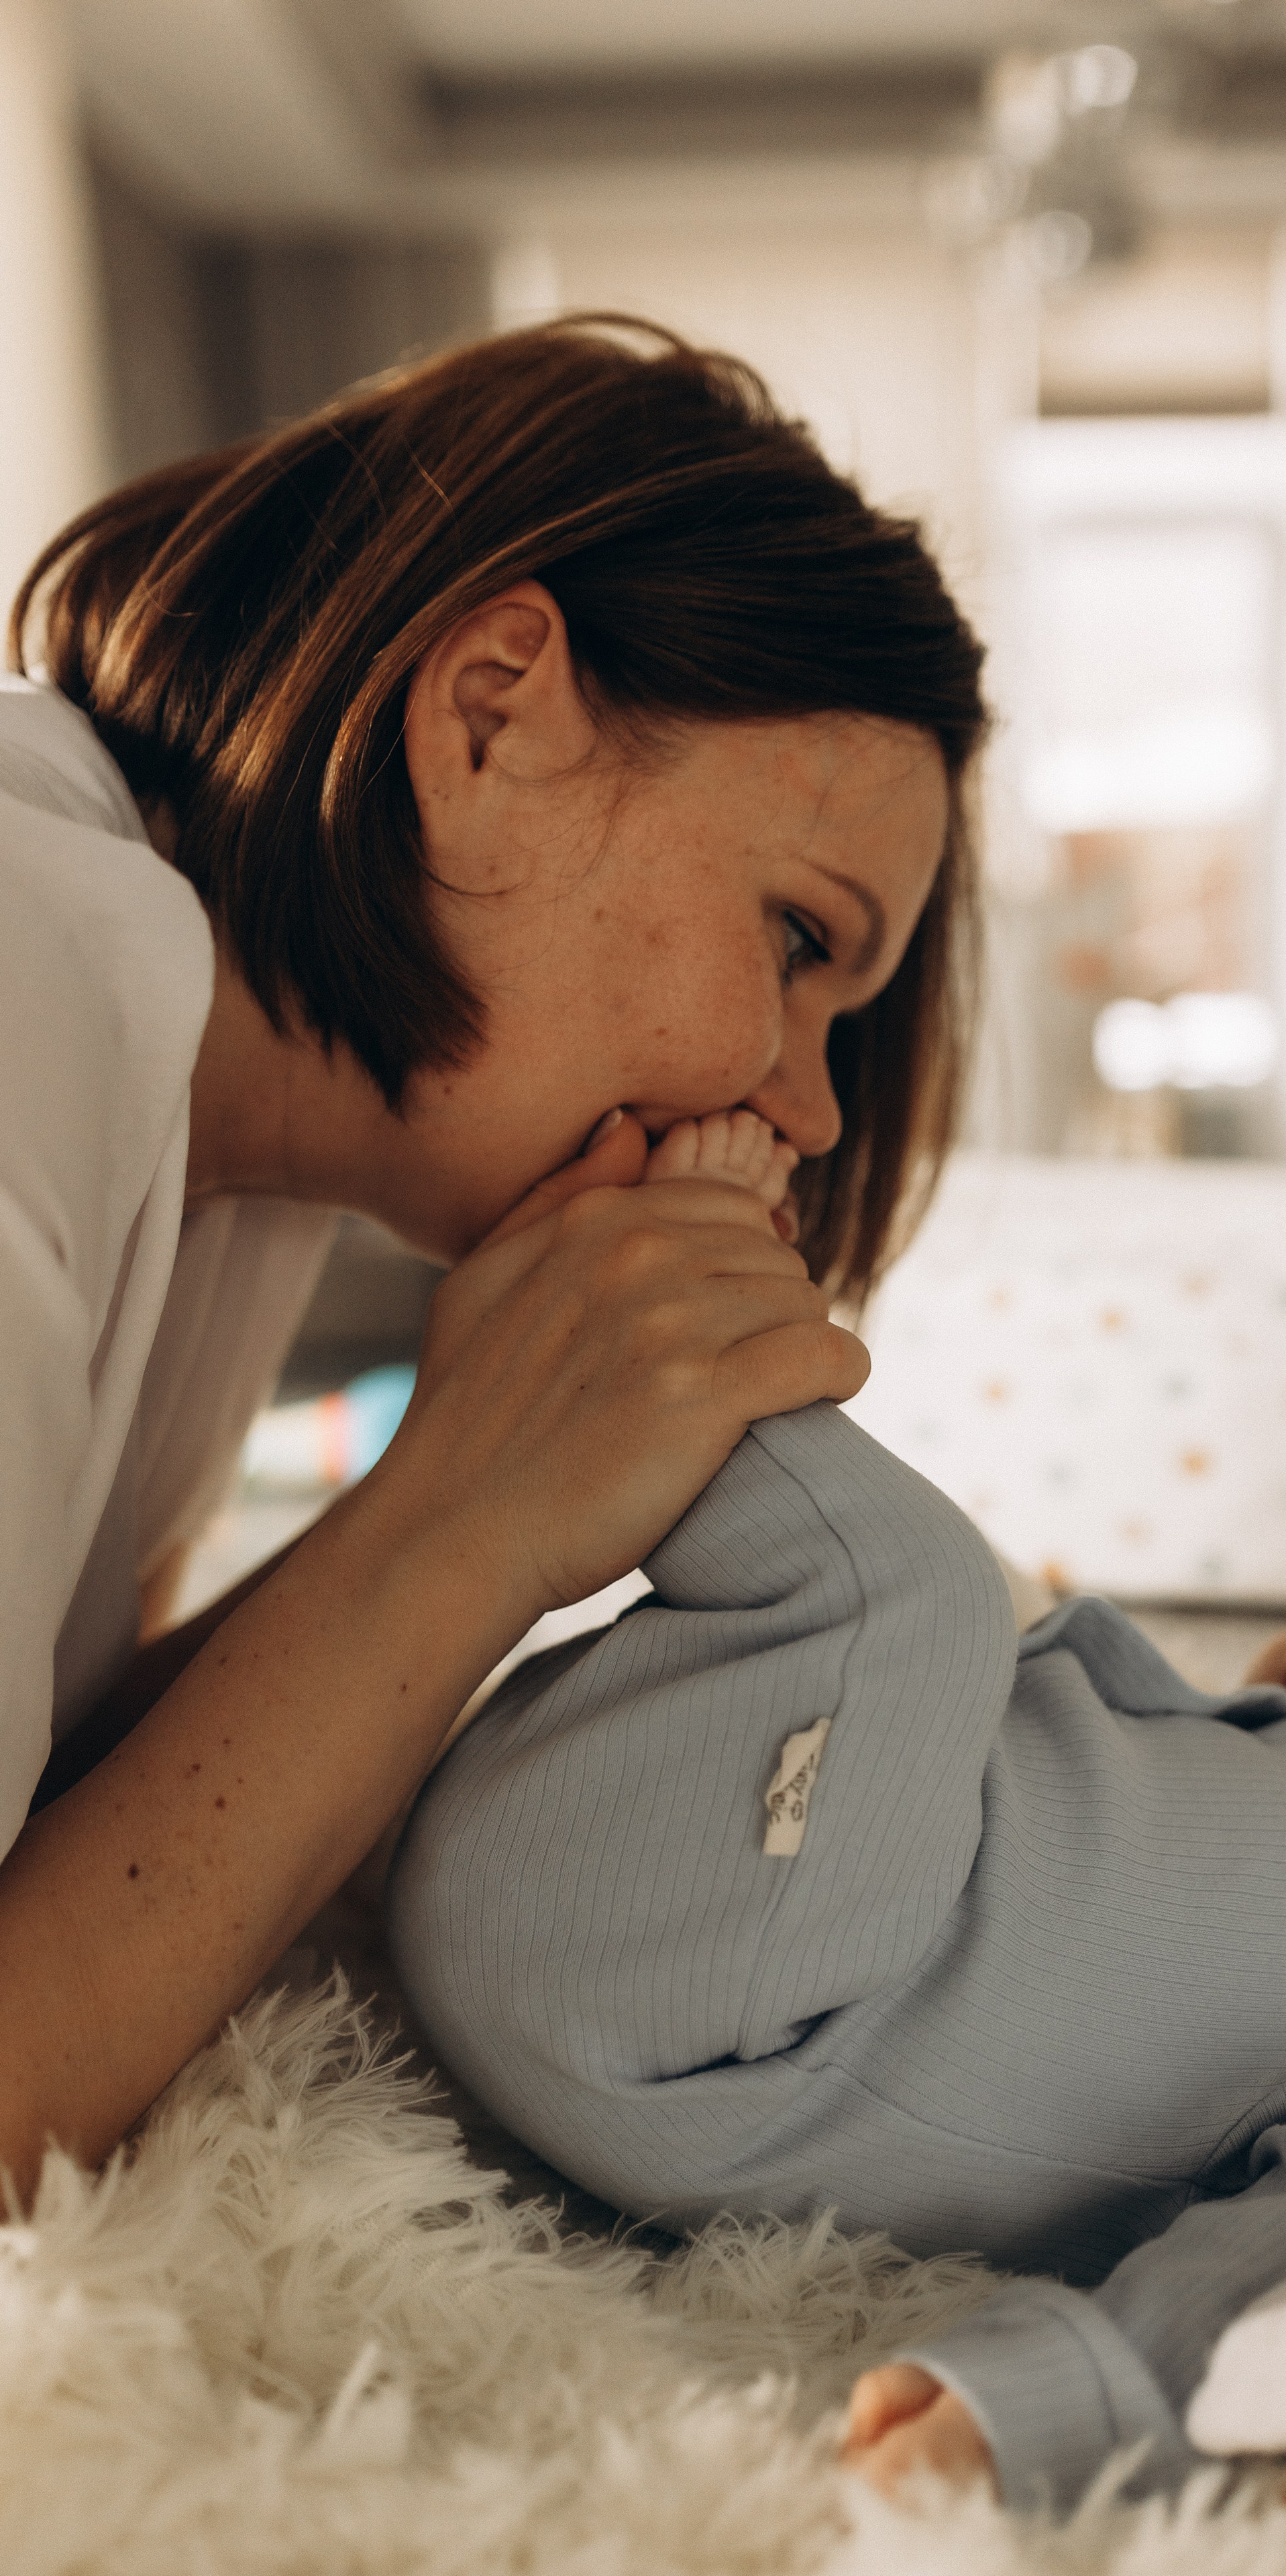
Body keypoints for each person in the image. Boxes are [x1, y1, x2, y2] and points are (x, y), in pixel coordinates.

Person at [387, 1108, 1286, 2516]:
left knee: (919, 1589)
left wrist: (1053, 2402)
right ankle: (621, 1339)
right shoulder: (1238, 1755)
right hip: (583, 1828)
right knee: (896, 1621)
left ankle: (649, 1300)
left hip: (733, 2015)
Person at [0, 317, 986, 2199]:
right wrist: (459, 1514)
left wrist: (466, 1490)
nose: (811, 1109)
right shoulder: (31, 966)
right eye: (798, 939)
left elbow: (67, 1811)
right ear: (487, 716)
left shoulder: (248, 1138)